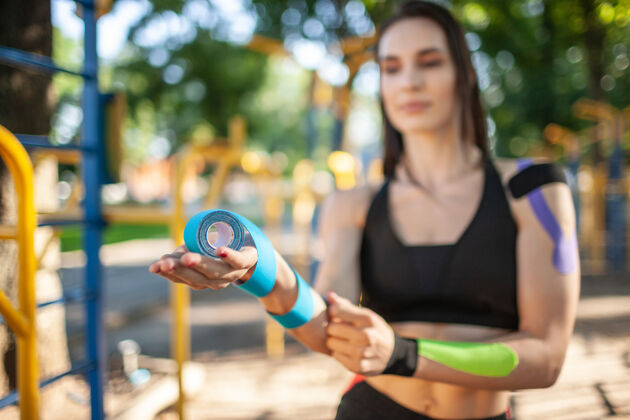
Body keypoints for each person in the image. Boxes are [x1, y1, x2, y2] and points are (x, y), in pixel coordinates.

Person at [149, 1, 580, 419]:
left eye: (428, 62)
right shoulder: (352, 203)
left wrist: (403, 354)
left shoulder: (532, 190)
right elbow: (325, 329)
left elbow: (546, 357)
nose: (408, 81)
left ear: (464, 75)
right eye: (391, 68)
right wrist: (261, 271)